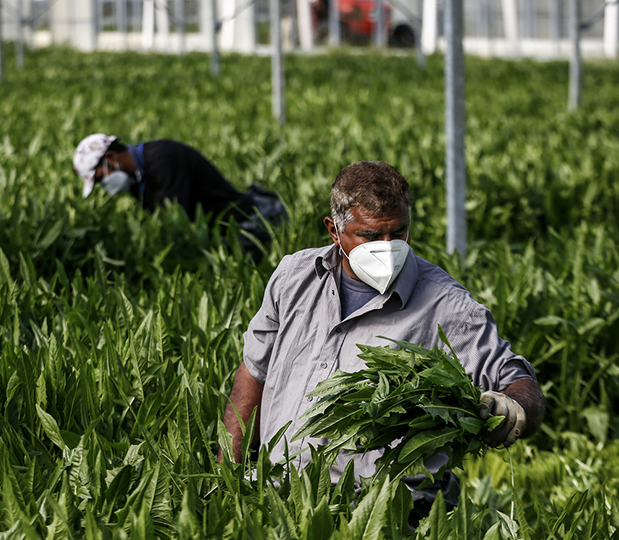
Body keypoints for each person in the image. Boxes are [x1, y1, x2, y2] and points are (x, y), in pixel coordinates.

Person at [221, 160, 545, 520]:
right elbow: (254, 375)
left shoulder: (446, 306)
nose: (388, 248)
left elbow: (518, 383)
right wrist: (226, 476)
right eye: (371, 236)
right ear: (334, 230)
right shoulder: (294, 277)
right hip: (277, 495)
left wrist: (512, 407)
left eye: (398, 232)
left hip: (385, 514)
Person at [72, 134, 286, 247]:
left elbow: (174, 223)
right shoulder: (136, 179)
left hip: (245, 227)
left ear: (110, 158)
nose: (104, 186)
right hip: (217, 232)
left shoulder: (163, 159)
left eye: (100, 178)